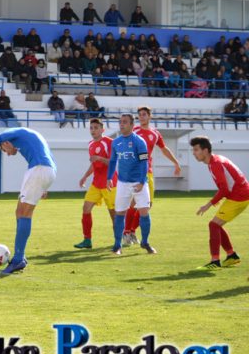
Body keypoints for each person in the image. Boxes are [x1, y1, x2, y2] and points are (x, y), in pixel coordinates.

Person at [0, 128, 57, 274]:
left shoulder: (10, 133)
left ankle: (18, 260)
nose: (8, 154)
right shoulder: (29, 135)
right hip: (46, 170)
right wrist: (45, 183)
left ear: (5, 143)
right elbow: (50, 156)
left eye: (4, 150)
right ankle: (20, 256)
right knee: (19, 212)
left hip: (38, 169)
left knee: (24, 214)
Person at [122, 106, 182, 245]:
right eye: (139, 115)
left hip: (148, 171)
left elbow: (164, 149)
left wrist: (176, 162)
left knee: (148, 204)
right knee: (136, 202)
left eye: (144, 114)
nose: (141, 117)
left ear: (149, 116)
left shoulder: (155, 133)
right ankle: (126, 233)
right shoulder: (134, 131)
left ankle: (130, 231)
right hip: (136, 171)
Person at [190, 136, 246, 270]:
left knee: (213, 225)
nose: (194, 153)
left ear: (205, 150)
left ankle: (215, 261)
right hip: (239, 195)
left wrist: (208, 205)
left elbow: (224, 189)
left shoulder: (215, 164)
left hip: (239, 197)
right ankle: (231, 255)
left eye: (196, 149)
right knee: (216, 225)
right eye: (193, 150)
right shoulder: (214, 161)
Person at [107, 114, 154, 255]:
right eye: (120, 122)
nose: (122, 125)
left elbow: (144, 162)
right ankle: (117, 245)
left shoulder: (139, 142)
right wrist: (109, 177)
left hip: (139, 182)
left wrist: (140, 182)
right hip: (122, 183)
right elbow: (113, 161)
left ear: (132, 125)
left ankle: (145, 242)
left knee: (144, 211)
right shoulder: (116, 142)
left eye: (125, 122)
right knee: (120, 213)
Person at [74, 119, 116, 249]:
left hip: (110, 183)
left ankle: (118, 241)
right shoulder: (91, 144)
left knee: (113, 214)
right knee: (86, 209)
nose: (93, 130)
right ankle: (87, 240)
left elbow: (113, 162)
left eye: (96, 128)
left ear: (102, 130)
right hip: (96, 184)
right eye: (91, 128)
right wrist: (85, 177)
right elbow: (94, 164)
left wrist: (99, 158)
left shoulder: (110, 142)